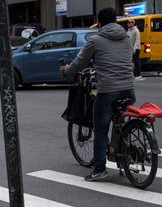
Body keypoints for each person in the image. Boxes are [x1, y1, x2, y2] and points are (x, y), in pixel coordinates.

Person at [60, 7, 135, 181]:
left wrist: (67, 70)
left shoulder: (96, 40)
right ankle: (122, 151)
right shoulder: (127, 38)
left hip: (108, 90)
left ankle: (99, 169)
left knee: (100, 129)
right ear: (115, 21)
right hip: (129, 89)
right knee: (119, 120)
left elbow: (79, 62)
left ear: (99, 22)